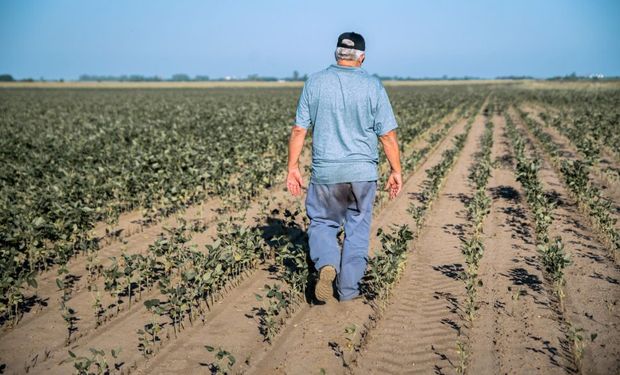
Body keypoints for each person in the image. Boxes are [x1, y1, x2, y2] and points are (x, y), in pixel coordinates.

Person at [286, 32, 403, 303]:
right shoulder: (373, 86)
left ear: (336, 54)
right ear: (361, 57)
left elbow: (299, 129)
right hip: (362, 174)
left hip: (327, 173)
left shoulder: (314, 83)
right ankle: (348, 292)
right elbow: (387, 136)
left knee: (324, 223)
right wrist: (395, 170)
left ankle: (327, 263)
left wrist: (293, 166)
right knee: (357, 230)